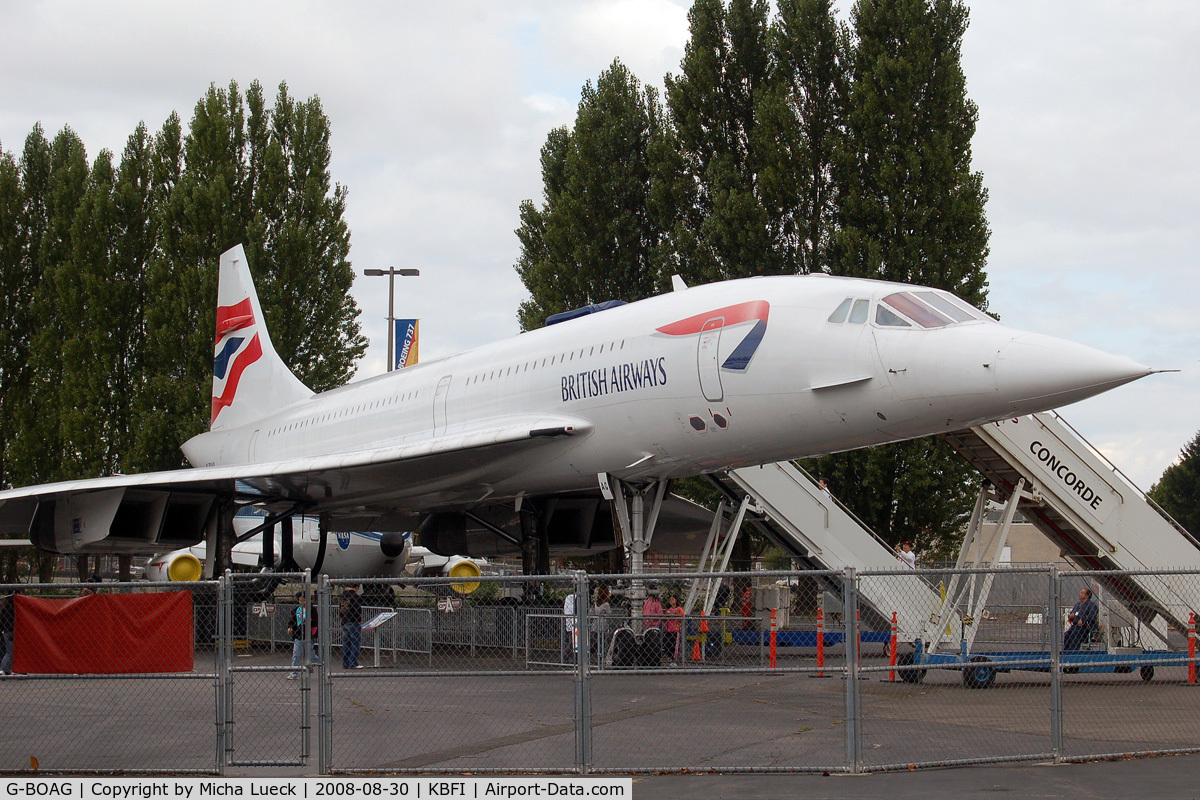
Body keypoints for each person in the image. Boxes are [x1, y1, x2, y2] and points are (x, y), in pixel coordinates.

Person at [288, 591, 318, 679]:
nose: (303, 603)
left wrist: (309, 621)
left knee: (310, 653)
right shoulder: (296, 610)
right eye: (301, 601)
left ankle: (318, 663)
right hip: (298, 634)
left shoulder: (312, 609)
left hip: (309, 634)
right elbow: (292, 621)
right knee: (296, 653)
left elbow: (315, 621)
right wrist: (290, 627)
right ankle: (294, 672)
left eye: (304, 600)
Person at [340, 586, 363, 669]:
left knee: (346, 642)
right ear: (357, 587)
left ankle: (345, 663)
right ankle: (353, 662)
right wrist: (359, 619)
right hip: (353, 621)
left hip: (344, 621)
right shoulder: (355, 596)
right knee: (355, 642)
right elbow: (357, 609)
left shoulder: (343, 596)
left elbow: (341, 608)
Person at [663, 594, 685, 664]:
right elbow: (665, 618)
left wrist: (674, 615)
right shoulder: (668, 609)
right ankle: (669, 657)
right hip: (668, 629)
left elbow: (682, 616)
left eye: (672, 599)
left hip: (676, 630)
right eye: (670, 600)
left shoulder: (679, 609)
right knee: (667, 644)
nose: (671, 601)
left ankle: (674, 659)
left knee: (675, 645)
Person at [0, 593, 13, 675]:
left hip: (6, 631)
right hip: (10, 632)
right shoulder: (12, 611)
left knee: (7, 651)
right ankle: (3, 669)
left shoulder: (4, 611)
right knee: (9, 652)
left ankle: (7, 669)